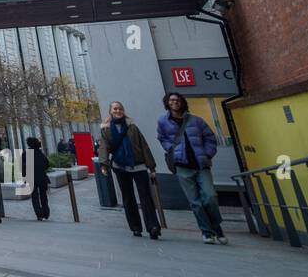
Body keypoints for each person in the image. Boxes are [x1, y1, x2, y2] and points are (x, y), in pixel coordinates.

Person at [157, 91, 227, 245]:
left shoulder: (196, 120)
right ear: (167, 103)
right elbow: (161, 138)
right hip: (182, 166)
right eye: (171, 100)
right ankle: (207, 232)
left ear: (182, 102)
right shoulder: (163, 121)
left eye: (177, 100)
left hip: (201, 165)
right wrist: (172, 151)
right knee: (195, 202)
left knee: (210, 197)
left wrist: (207, 154)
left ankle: (217, 227)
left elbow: (210, 137)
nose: (174, 102)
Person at [96, 101, 160, 239]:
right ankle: (136, 227)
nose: (118, 111)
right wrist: (104, 164)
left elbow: (144, 146)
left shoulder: (132, 127)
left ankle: (153, 226)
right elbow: (104, 148)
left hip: (138, 165)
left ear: (123, 111)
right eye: (115, 109)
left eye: (120, 109)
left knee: (146, 197)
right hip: (120, 166)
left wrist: (151, 166)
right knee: (128, 198)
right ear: (110, 111)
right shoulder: (106, 130)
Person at [25, 136, 51, 220]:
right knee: (43, 196)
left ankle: (39, 214)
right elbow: (47, 164)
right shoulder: (40, 153)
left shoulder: (26, 154)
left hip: (31, 178)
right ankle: (46, 212)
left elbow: (22, 167)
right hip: (42, 177)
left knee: (34, 196)